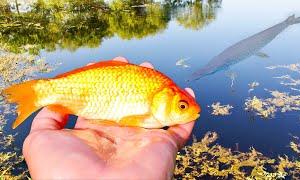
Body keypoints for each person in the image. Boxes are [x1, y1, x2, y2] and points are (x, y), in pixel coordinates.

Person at [23, 57, 197, 179]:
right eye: (182, 106)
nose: (184, 110)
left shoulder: (158, 89)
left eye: (182, 107)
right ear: (163, 97)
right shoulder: (154, 99)